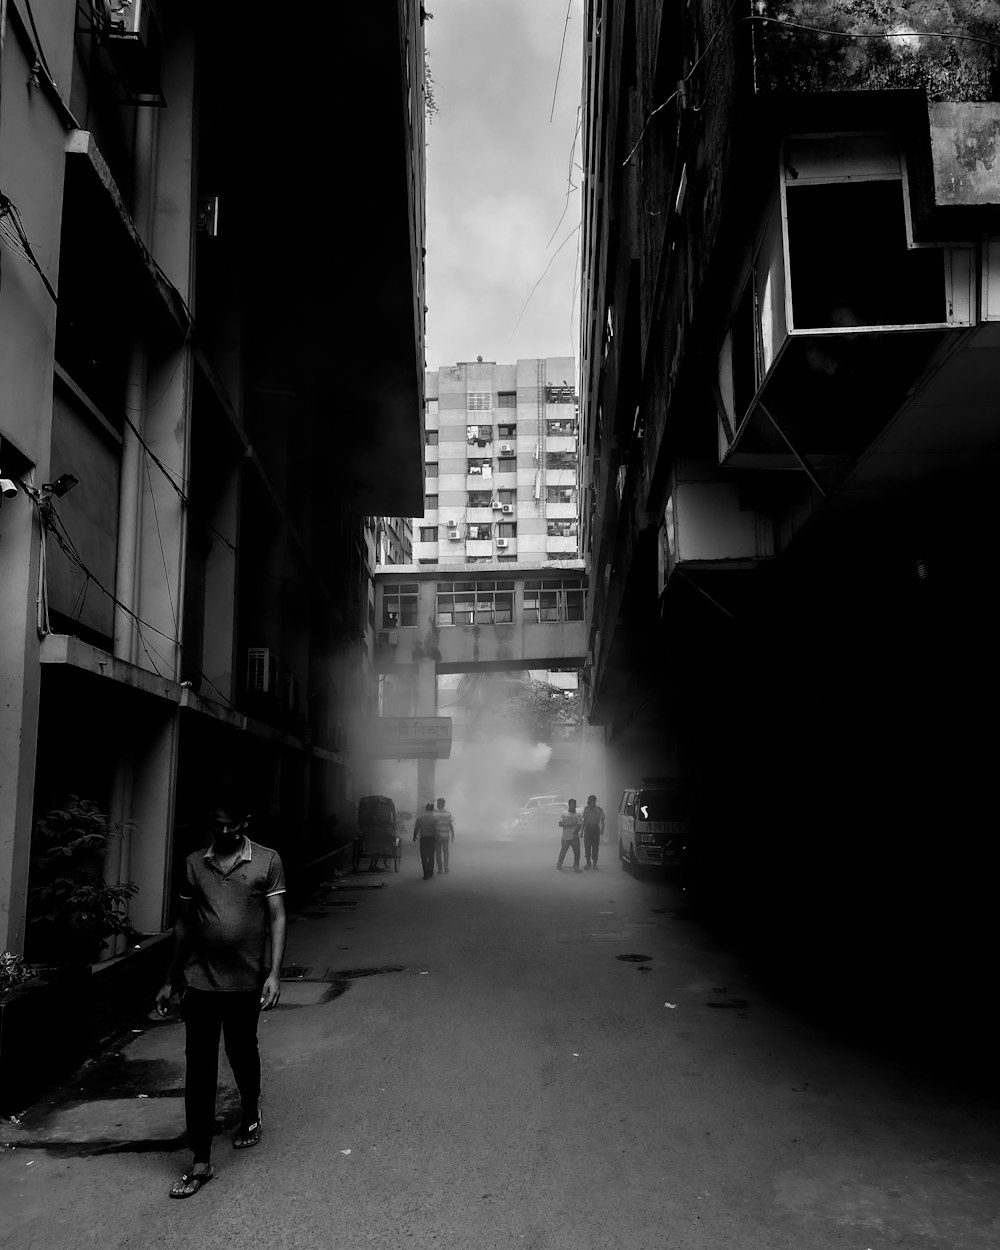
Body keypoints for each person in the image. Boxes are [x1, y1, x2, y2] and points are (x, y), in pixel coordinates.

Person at [155, 792, 286, 1199]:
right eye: (218, 825)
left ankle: (250, 1111)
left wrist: (275, 974)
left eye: (232, 825)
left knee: (242, 1052)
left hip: (246, 982)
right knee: (199, 1068)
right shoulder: (196, 863)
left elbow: (277, 916)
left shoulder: (267, 860)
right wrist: (169, 978)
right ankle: (200, 1159)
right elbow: (184, 924)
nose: (225, 832)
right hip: (200, 982)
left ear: (245, 821)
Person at [556, 798, 584, 872]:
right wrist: (570, 824)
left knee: (577, 852)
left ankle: (576, 867)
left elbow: (579, 825)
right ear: (569, 805)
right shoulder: (563, 814)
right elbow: (560, 824)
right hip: (565, 837)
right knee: (563, 851)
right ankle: (559, 864)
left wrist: (575, 832)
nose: (573, 806)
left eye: (574, 804)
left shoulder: (578, 815)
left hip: (574, 837)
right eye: (571, 804)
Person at [413, 802, 438, 879]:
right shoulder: (434, 818)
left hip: (423, 839)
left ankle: (425, 873)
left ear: (426, 809)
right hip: (431, 839)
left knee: (423, 856)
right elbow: (436, 830)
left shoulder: (420, 818)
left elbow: (416, 828)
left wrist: (414, 835)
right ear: (432, 809)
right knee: (431, 856)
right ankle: (430, 872)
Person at [582, 794, 605, 870]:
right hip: (587, 829)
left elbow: (602, 820)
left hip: (595, 829)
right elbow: (584, 821)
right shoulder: (586, 809)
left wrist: (602, 829)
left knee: (595, 847)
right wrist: (581, 831)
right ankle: (588, 863)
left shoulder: (599, 810)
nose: (589, 802)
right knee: (587, 847)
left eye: (591, 800)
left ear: (594, 801)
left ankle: (595, 864)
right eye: (589, 800)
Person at [434, 796, 455, 874]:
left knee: (438, 852)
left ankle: (440, 868)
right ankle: (446, 867)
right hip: (446, 835)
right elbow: (450, 825)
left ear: (438, 804)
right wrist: (453, 834)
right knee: (446, 852)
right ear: (444, 805)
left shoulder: (434, 813)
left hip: (437, 836)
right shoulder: (448, 814)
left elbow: (433, 825)